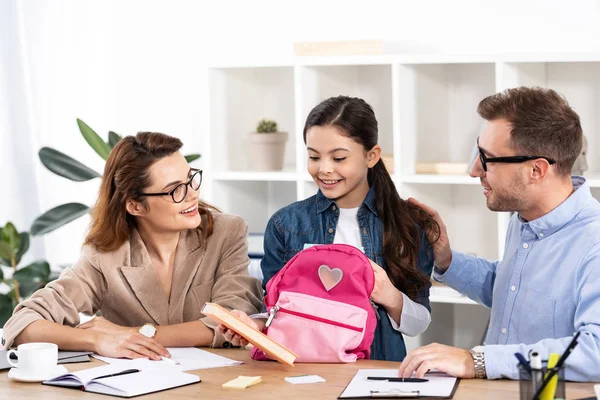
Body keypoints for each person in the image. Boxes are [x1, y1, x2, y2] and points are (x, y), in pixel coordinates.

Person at [2, 132, 263, 360]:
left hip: (218, 385)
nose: (193, 193)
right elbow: (23, 323)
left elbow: (234, 321)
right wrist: (99, 340)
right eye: (175, 190)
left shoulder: (227, 232)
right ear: (135, 206)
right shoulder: (105, 255)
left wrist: (131, 334)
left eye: (191, 179)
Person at [400, 86, 600, 381]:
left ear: (537, 170)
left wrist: (478, 361)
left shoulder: (593, 243)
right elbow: (514, 291)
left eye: (487, 158)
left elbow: (594, 352)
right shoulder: (525, 219)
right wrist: (445, 259)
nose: (473, 170)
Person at [218, 96, 440, 361]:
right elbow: (276, 311)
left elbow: (419, 324)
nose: (324, 169)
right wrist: (252, 327)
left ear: (372, 156)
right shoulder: (285, 224)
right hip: (302, 374)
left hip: (377, 372)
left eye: (338, 158)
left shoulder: (408, 224)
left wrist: (389, 294)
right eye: (314, 156)